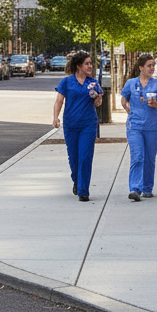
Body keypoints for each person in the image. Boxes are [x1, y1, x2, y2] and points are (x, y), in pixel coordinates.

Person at [52, 51, 103, 201]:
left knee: (85, 157)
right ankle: (77, 180)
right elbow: (59, 101)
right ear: (78, 66)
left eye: (90, 63)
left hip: (88, 124)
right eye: (87, 63)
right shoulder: (66, 82)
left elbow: (98, 104)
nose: (90, 66)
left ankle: (83, 190)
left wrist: (97, 97)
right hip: (71, 125)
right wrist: (56, 118)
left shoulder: (93, 83)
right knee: (73, 158)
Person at [120, 53, 157, 201]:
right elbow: (123, 99)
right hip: (134, 126)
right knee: (137, 156)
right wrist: (129, 111)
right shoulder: (130, 83)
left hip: (152, 126)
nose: (152, 68)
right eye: (149, 65)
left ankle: (147, 187)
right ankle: (135, 188)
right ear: (141, 67)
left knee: (149, 158)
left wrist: (156, 104)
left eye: (153, 65)